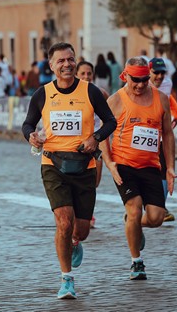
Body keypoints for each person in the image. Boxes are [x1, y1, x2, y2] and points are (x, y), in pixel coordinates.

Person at [22, 42, 116, 299]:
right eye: (61, 61)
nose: (67, 64)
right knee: (64, 221)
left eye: (70, 59)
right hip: (53, 164)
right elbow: (28, 122)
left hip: (84, 164)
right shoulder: (42, 94)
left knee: (81, 229)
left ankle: (76, 242)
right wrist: (31, 135)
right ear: (51, 66)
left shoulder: (91, 91)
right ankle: (67, 279)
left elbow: (111, 121)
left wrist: (95, 138)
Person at [100, 56, 176, 281]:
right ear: (125, 76)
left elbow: (168, 133)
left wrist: (170, 167)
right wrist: (109, 163)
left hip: (151, 165)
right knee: (134, 209)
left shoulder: (161, 99)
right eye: (136, 80)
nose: (141, 84)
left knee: (156, 218)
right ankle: (136, 262)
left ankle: (131, 224)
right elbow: (103, 132)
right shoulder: (117, 100)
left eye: (145, 79)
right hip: (124, 164)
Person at [76, 60, 110, 228]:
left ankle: (87, 211)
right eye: (82, 73)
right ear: (76, 75)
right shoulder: (72, 94)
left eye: (89, 73)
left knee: (94, 181)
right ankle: (82, 214)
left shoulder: (101, 93)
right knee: (77, 179)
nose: (86, 76)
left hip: (96, 143)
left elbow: (110, 118)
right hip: (77, 144)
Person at [149, 58, 177, 222]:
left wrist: (175, 117)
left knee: (163, 169)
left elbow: (171, 104)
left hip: (160, 134)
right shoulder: (139, 82)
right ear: (148, 72)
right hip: (142, 134)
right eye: (156, 72)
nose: (160, 76)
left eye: (163, 72)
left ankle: (160, 206)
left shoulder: (167, 83)